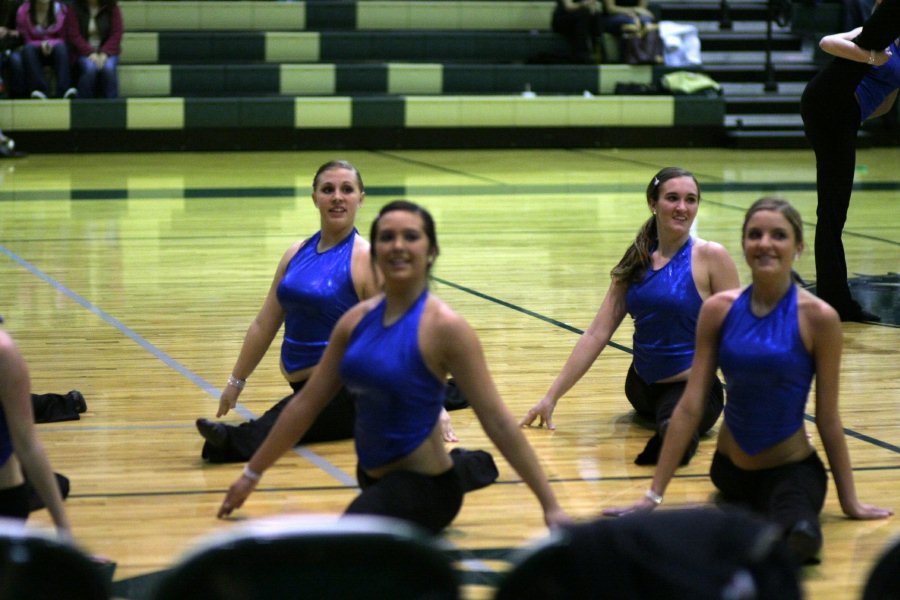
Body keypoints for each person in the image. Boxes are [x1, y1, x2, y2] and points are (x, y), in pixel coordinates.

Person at [218, 200, 570, 534]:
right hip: (372, 478)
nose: (398, 245)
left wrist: (550, 505)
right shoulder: (353, 323)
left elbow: (498, 421)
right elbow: (306, 404)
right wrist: (252, 474)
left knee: (347, 544)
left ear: (431, 251)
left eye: (410, 236)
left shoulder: (447, 328)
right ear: (374, 252)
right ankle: (468, 467)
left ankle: (457, 473)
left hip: (425, 488)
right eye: (387, 237)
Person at [603, 197, 893, 564]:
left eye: (779, 235)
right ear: (743, 244)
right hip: (729, 472)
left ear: (798, 247)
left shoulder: (820, 318)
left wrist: (850, 502)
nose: (765, 243)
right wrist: (652, 496)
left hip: (791, 472)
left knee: (799, 537)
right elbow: (690, 406)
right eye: (755, 234)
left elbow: (828, 419)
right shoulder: (718, 310)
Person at [195, 160, 462, 464]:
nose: (337, 197)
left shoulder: (366, 259)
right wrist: (236, 382)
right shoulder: (295, 253)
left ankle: (230, 443)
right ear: (314, 198)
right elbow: (263, 324)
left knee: (292, 415)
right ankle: (456, 390)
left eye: (347, 189)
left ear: (360, 198)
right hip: (307, 385)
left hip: (350, 388)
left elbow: (397, 334)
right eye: (328, 190)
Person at [520, 167, 740, 467]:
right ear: (653, 203)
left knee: (674, 430)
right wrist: (550, 397)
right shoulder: (636, 258)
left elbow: (737, 335)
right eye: (672, 198)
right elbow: (597, 333)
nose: (682, 207)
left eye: (690, 199)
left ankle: (666, 453)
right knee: (666, 420)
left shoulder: (712, 256)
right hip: (639, 389)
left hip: (691, 390)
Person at [800, 0, 900, 322]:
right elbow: (826, 42)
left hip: (844, 115)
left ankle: (835, 300)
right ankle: (837, 301)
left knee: (833, 212)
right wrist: (872, 58)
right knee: (870, 43)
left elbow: (886, 104)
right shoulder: (873, 40)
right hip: (827, 96)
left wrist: (857, 111)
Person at [0, 315, 71, 538]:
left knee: (60, 484)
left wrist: (64, 534)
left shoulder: (3, 352)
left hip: (5, 505)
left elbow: (28, 446)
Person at [64, 0, 122, 99]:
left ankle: (112, 103)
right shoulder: (74, 8)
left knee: (108, 68)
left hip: (108, 51)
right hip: (82, 51)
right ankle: (84, 102)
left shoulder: (112, 7)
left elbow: (116, 34)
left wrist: (105, 53)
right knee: (90, 68)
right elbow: (74, 35)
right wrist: (90, 52)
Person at [16, 0, 72, 99]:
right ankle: (40, 90)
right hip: (34, 52)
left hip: (56, 49)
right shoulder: (23, 11)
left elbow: (64, 37)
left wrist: (50, 43)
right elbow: (25, 39)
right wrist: (40, 44)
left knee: (61, 47)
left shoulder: (61, 9)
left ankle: (64, 90)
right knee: (28, 49)